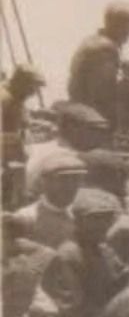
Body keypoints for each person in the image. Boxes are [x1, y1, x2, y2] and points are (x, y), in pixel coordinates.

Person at [42, 187, 129, 317]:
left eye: (107, 217)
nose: (102, 224)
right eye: (95, 218)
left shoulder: (104, 249)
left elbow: (120, 283)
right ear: (78, 221)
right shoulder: (69, 254)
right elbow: (71, 312)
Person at [68, 1, 129, 127]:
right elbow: (103, 93)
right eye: (127, 27)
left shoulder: (93, 41)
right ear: (115, 26)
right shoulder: (105, 48)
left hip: (82, 108)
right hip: (92, 119)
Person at [24, 100, 110, 199]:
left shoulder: (34, 148)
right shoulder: (73, 158)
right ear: (73, 129)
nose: (101, 136)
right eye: (94, 130)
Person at [15, 150, 87, 248]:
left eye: (75, 179)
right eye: (63, 180)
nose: (70, 186)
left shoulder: (82, 214)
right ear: (45, 182)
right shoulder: (27, 217)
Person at [1, 64, 45, 209]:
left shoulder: (15, 96)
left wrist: (33, 123)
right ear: (21, 82)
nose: (34, 93)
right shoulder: (5, 99)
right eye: (32, 87)